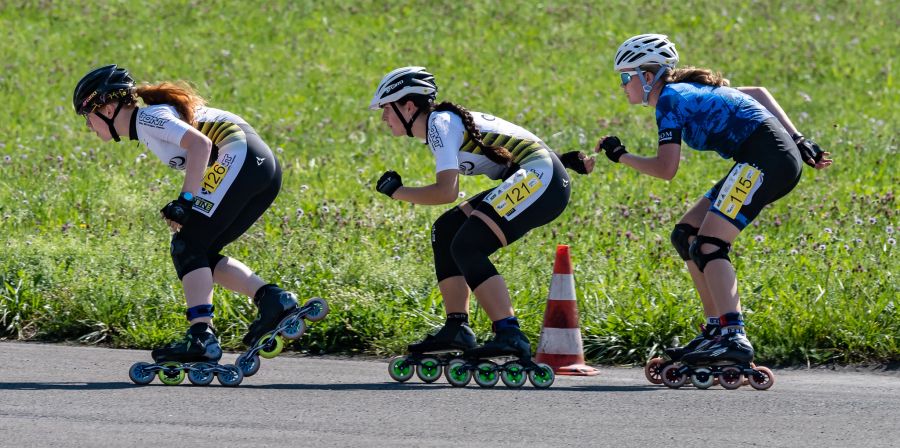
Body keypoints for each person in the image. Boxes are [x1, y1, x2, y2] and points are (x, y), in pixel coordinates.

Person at [598, 34, 831, 372]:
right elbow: (756, 93)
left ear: (648, 76)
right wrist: (798, 138)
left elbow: (666, 169)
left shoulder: (670, 100)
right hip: (765, 155)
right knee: (686, 234)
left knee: (709, 245)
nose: (621, 85)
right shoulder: (685, 91)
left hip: (767, 158)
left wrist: (620, 156)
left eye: (625, 77)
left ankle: (733, 336)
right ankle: (716, 329)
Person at [73, 64, 300, 365]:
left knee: (187, 245)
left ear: (110, 107)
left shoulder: (149, 118)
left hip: (243, 157)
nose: (88, 126)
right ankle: (273, 300)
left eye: (87, 116)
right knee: (200, 251)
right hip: (257, 166)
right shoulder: (151, 120)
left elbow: (201, 144)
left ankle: (201, 337)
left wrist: (186, 200)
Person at [370, 66, 591, 362]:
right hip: (540, 176)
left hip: (543, 178)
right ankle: (457, 326)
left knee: (468, 244)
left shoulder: (440, 124)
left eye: (386, 108)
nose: (383, 117)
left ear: (408, 106)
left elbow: (446, 192)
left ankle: (509, 333)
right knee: (447, 230)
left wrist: (398, 191)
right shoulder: (441, 124)